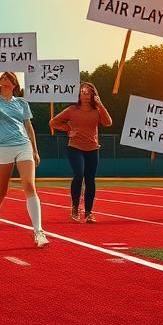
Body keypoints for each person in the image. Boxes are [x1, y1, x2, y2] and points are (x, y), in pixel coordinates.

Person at [0, 71, 48, 247]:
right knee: (1, 189)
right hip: (2, 148)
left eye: (7, 78)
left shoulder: (22, 103)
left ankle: (38, 232)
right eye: (2, 78)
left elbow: (29, 128)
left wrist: (35, 150)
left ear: (14, 84)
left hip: (23, 146)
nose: (3, 79)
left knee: (29, 185)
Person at [49, 81, 113, 223]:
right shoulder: (72, 110)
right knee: (78, 175)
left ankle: (89, 212)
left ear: (93, 95)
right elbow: (53, 122)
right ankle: (75, 207)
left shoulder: (97, 111)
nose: (86, 95)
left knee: (90, 180)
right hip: (75, 147)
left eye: (89, 92)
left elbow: (108, 122)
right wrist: (68, 129)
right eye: (83, 92)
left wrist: (100, 104)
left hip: (92, 148)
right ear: (78, 95)